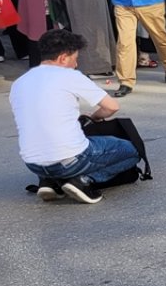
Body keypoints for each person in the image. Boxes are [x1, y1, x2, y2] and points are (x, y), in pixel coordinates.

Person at [9, 29, 139, 204]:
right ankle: (82, 180)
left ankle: (49, 181)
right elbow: (112, 107)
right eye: (75, 59)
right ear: (63, 58)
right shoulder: (69, 75)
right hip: (71, 159)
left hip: (33, 163)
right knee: (131, 151)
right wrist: (94, 117)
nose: (76, 64)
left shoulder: (19, 83)